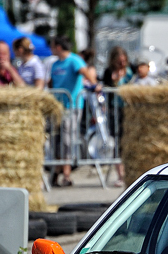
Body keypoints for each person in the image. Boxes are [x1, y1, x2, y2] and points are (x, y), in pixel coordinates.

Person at [48, 35, 97, 187]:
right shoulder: (55, 64)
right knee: (56, 140)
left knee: (67, 140)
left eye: (52, 45)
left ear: (58, 47)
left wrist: (95, 85)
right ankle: (57, 171)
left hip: (72, 106)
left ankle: (66, 174)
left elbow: (84, 71)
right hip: (58, 106)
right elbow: (52, 83)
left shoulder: (74, 60)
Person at [101, 46, 134, 187]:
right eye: (119, 61)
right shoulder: (108, 72)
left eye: (124, 61)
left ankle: (130, 173)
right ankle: (120, 174)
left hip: (129, 109)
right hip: (115, 109)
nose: (122, 63)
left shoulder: (131, 71)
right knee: (117, 143)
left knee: (129, 142)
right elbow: (106, 87)